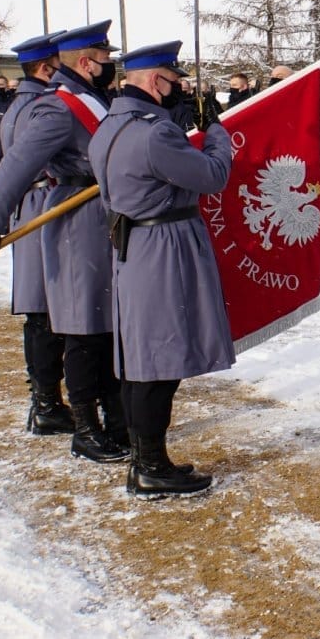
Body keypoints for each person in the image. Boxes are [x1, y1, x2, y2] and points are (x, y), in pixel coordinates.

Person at [0, 20, 129, 464]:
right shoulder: (57, 107)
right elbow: (17, 164)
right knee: (82, 329)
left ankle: (110, 419)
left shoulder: (89, 98)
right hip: (75, 220)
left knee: (100, 328)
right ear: (85, 62)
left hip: (99, 218)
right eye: (104, 59)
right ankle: (84, 428)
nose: (110, 65)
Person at [89, 40, 232, 497]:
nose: (179, 90)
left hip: (134, 244)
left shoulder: (109, 125)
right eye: (175, 82)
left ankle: (144, 459)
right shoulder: (154, 132)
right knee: (158, 361)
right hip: (162, 247)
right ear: (155, 81)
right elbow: (213, 176)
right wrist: (217, 134)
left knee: (140, 358)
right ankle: (150, 465)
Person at [2, 31, 73, 435]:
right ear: (46, 68)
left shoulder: (20, 104)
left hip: (29, 206)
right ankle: (47, 403)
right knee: (45, 311)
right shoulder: (43, 107)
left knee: (40, 310)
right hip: (41, 207)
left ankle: (44, 399)